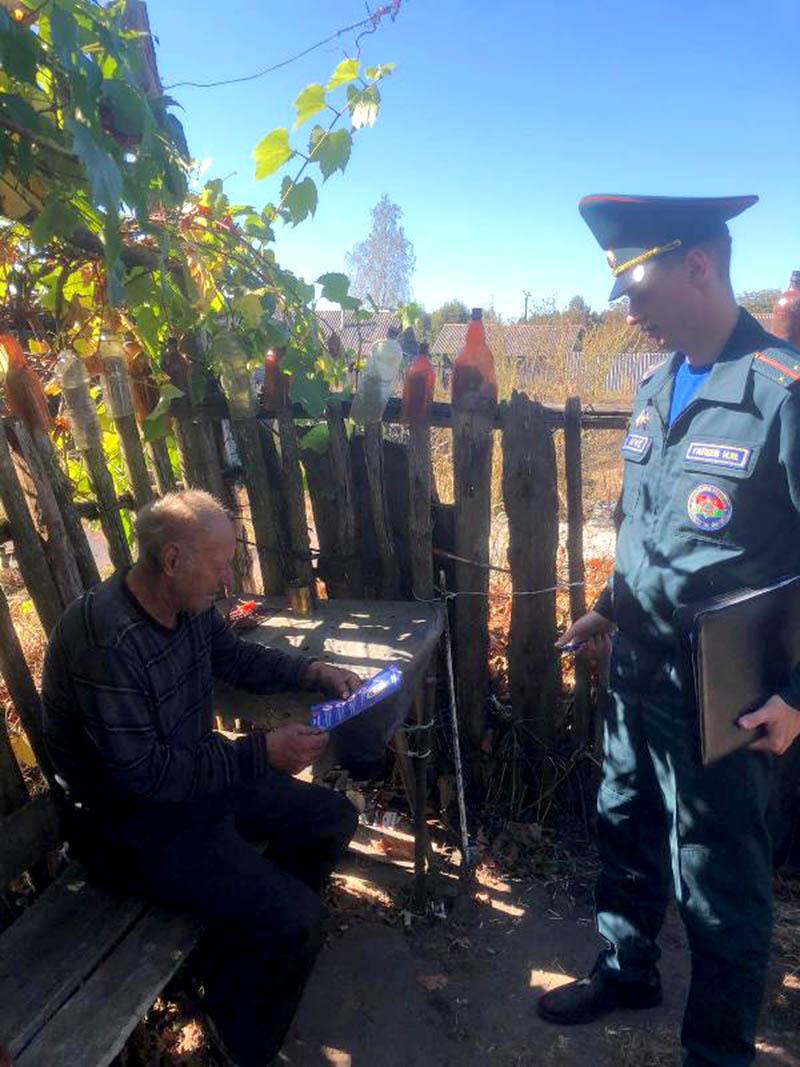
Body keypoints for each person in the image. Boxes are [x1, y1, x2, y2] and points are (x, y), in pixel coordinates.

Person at [537, 194, 800, 1066]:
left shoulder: (779, 392)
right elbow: (648, 528)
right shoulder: (653, 390)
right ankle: (627, 970)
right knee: (624, 819)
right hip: (636, 669)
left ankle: (717, 1051)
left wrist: (798, 696)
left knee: (718, 877)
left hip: (725, 690)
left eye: (638, 287)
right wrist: (610, 608)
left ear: (698, 265)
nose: (628, 310)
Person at [41, 489, 362, 1067]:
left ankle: (237, 954)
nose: (228, 577)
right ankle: (241, 1043)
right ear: (173, 560)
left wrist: (313, 671)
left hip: (193, 783)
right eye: (220, 565)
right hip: (129, 827)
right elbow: (144, 777)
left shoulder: (186, 606)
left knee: (332, 818)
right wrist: (261, 753)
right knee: (299, 921)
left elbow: (235, 658)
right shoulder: (105, 639)